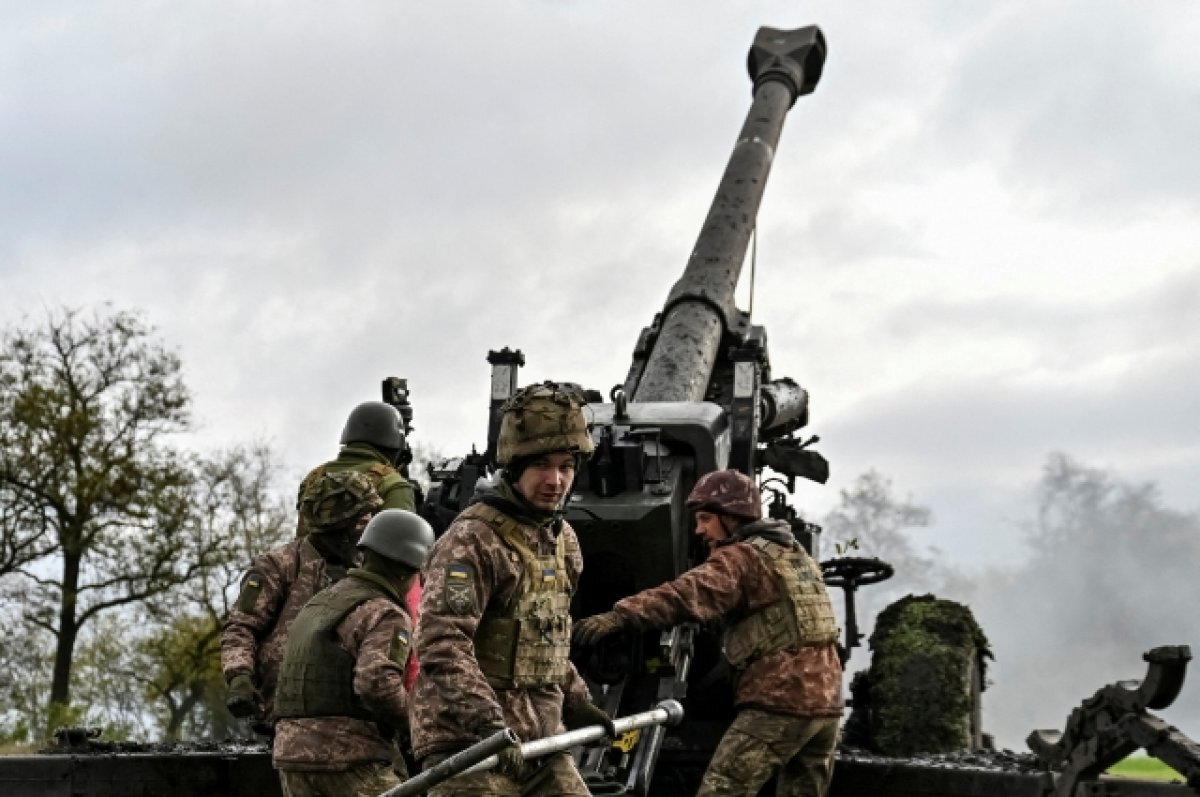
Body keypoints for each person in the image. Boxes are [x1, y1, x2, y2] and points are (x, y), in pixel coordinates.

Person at [574, 469, 843, 797]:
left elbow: (687, 594)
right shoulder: (794, 555)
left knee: (722, 790)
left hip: (781, 702)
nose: (699, 530)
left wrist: (619, 616)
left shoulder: (742, 557)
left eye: (705, 519)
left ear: (732, 517)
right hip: (826, 704)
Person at [409, 382, 616, 797]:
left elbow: (548, 636)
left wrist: (578, 700)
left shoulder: (564, 541)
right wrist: (487, 722)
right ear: (516, 468)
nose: (556, 480)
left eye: (566, 466)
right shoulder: (473, 540)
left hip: (542, 744)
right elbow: (440, 642)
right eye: (542, 466)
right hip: (469, 747)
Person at [271, 509, 436, 797]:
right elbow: (376, 684)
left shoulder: (321, 602)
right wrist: (420, 726)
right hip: (348, 757)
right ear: (407, 568)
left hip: (291, 754)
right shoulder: (384, 613)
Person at [222, 470, 383, 732]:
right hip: (286, 714)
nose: (369, 524)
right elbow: (241, 626)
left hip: (356, 720)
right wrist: (239, 676)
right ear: (341, 524)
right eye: (363, 518)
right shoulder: (280, 566)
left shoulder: (369, 567)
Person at [294, 401, 416, 538]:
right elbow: (399, 545)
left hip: (306, 559)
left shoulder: (315, 477)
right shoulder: (393, 484)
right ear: (396, 445)